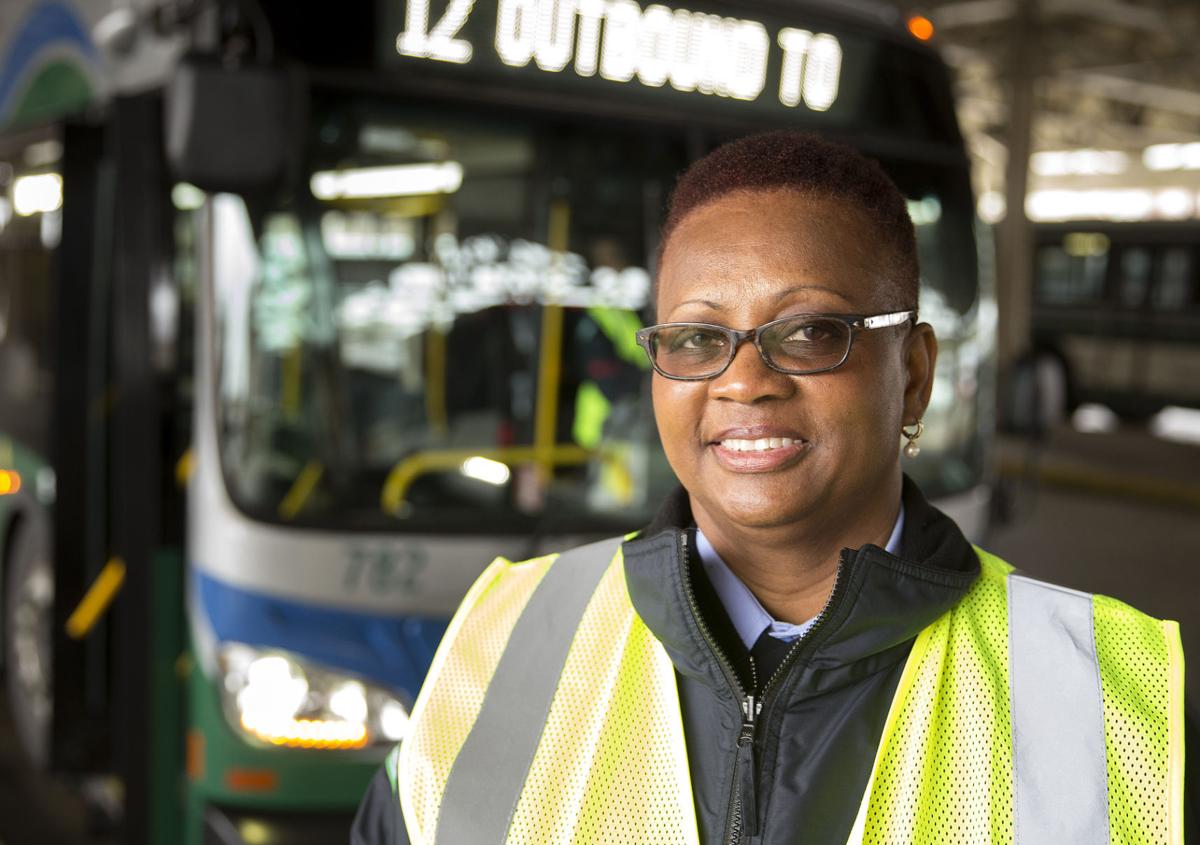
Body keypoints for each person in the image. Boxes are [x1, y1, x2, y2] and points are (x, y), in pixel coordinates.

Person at [352, 131, 1196, 844]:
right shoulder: (497, 644)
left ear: (913, 374)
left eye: (808, 331)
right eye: (695, 337)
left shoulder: (1116, 701)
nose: (744, 380)